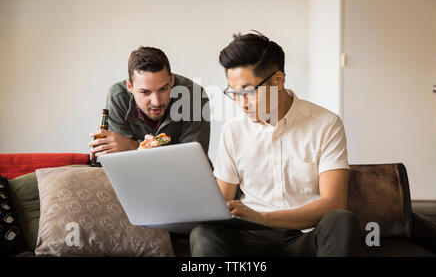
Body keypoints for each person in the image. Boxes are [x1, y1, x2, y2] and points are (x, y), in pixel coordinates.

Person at [189, 32, 361, 257]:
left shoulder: (326, 124)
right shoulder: (233, 130)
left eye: (248, 92)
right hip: (249, 236)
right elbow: (222, 201)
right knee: (204, 232)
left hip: (303, 237)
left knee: (342, 220)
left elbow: (333, 203)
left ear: (278, 80)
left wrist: (262, 217)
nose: (241, 103)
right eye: (234, 93)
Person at [88, 46, 210, 156]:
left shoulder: (194, 95)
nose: (156, 102)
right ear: (130, 87)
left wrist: (133, 147)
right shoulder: (117, 97)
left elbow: (191, 160)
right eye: (145, 92)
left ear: (172, 80)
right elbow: (121, 161)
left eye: (163, 89)